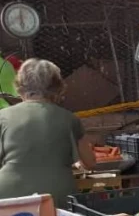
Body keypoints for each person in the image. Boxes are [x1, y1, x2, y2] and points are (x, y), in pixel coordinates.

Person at [0, 59, 96, 207]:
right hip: (56, 197)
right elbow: (90, 163)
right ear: (58, 87)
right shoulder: (70, 119)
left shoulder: (3, 116)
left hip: (9, 196)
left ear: (19, 86)